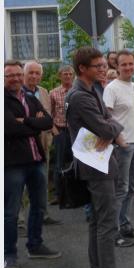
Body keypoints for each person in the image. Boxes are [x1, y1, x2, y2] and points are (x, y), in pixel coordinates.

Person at [66, 47, 134, 268]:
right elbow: (103, 124)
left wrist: (109, 129)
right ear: (83, 69)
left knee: (98, 221)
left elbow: (106, 123)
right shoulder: (80, 95)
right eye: (98, 66)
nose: (103, 68)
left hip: (99, 160)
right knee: (107, 222)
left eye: (103, 65)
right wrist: (110, 130)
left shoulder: (91, 90)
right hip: (96, 165)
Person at [4, 60, 61, 268]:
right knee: (10, 211)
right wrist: (32, 124)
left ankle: (35, 245)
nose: (16, 79)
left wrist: (23, 121)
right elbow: (8, 128)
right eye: (11, 75)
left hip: (36, 159)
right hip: (12, 164)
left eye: (19, 75)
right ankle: (9, 255)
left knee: (38, 205)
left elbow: (47, 121)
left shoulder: (30, 97)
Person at [103, 50, 134, 244]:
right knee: (120, 189)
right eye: (124, 64)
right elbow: (107, 118)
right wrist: (119, 139)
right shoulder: (112, 88)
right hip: (122, 145)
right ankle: (114, 232)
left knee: (131, 188)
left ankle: (126, 225)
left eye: (131, 64)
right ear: (117, 66)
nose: (128, 67)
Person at [23, 61, 61, 225]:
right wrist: (36, 120)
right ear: (24, 74)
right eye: (30, 72)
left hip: (43, 143)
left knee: (42, 181)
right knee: (22, 185)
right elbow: (21, 122)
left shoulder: (44, 92)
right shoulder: (18, 94)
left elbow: (48, 118)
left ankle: (42, 214)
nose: (34, 76)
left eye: (37, 73)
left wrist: (45, 123)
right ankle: (20, 220)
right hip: (24, 146)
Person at [49, 66, 75, 205]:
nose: (68, 76)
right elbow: (49, 113)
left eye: (70, 74)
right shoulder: (53, 93)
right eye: (65, 74)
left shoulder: (77, 91)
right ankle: (59, 195)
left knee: (77, 162)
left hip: (76, 131)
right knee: (59, 163)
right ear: (60, 76)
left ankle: (75, 193)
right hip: (61, 131)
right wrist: (55, 131)